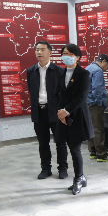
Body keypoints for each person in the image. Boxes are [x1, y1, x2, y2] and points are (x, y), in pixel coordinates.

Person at [56, 44, 94, 195]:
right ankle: (80, 177)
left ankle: (78, 178)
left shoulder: (83, 74)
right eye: (64, 53)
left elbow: (82, 97)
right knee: (63, 144)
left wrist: (66, 111)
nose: (67, 56)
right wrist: (60, 113)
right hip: (62, 116)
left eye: (71, 54)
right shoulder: (60, 73)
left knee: (75, 149)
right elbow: (57, 94)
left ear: (78, 57)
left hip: (77, 116)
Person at [26, 41, 68, 179]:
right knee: (43, 143)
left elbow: (64, 93)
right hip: (39, 111)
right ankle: (45, 168)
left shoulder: (59, 71)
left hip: (56, 111)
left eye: (42, 49)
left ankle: (62, 168)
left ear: (50, 53)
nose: (39, 52)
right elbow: (32, 92)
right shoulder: (31, 71)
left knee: (60, 142)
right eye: (37, 49)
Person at [86, 54, 108, 162]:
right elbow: (97, 89)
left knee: (91, 128)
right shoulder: (98, 70)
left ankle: (93, 151)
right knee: (98, 129)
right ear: (104, 61)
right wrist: (99, 103)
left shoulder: (88, 67)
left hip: (87, 103)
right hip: (94, 104)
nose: (107, 69)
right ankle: (101, 154)